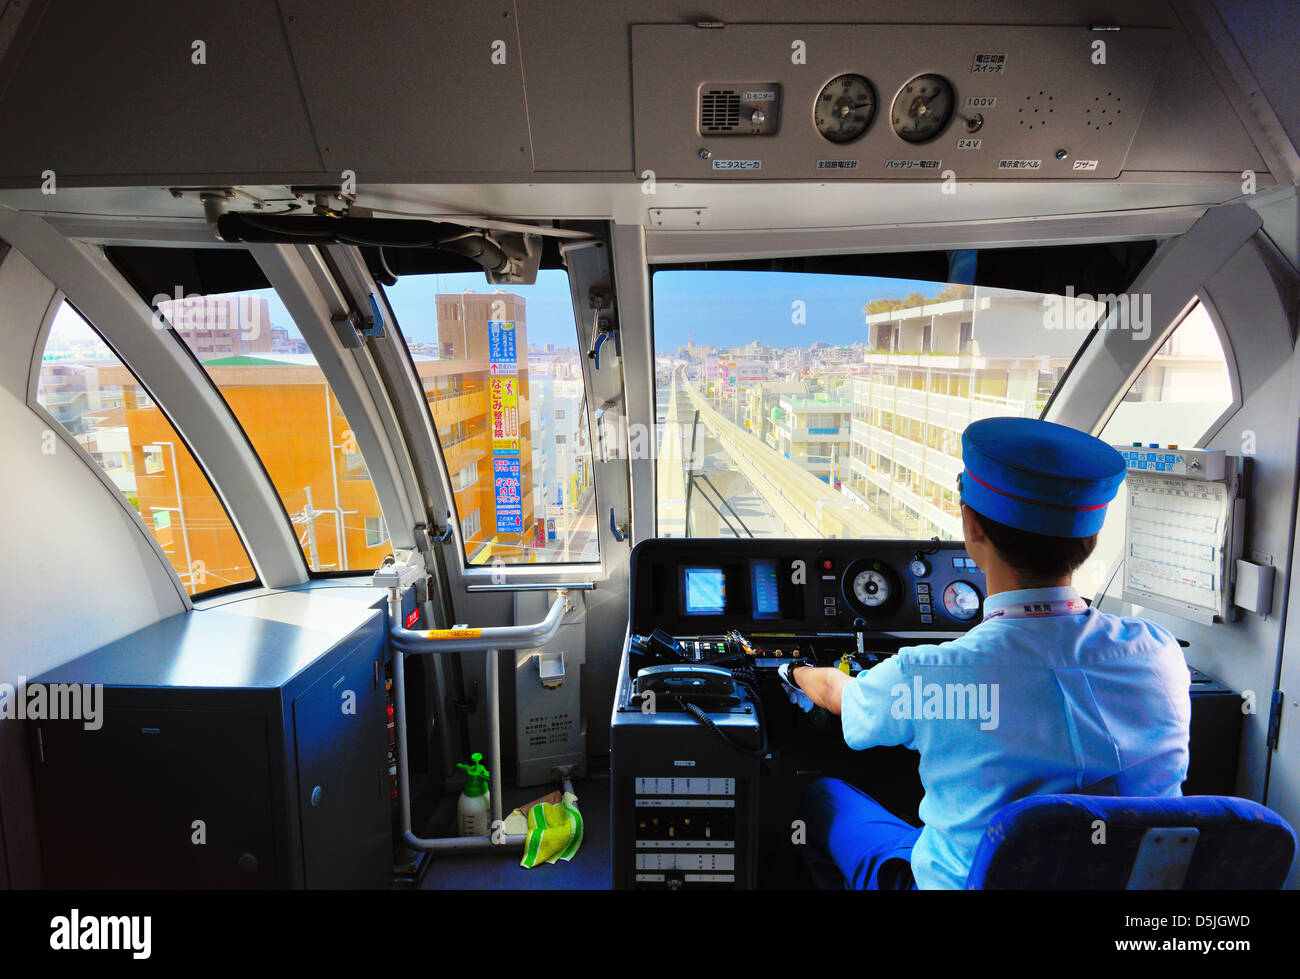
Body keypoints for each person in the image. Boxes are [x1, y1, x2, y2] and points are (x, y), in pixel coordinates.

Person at [778, 416, 1192, 889]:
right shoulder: (1159, 653)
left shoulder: (930, 675)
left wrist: (795, 671)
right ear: (1089, 540)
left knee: (822, 798)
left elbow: (842, 696)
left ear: (972, 527)